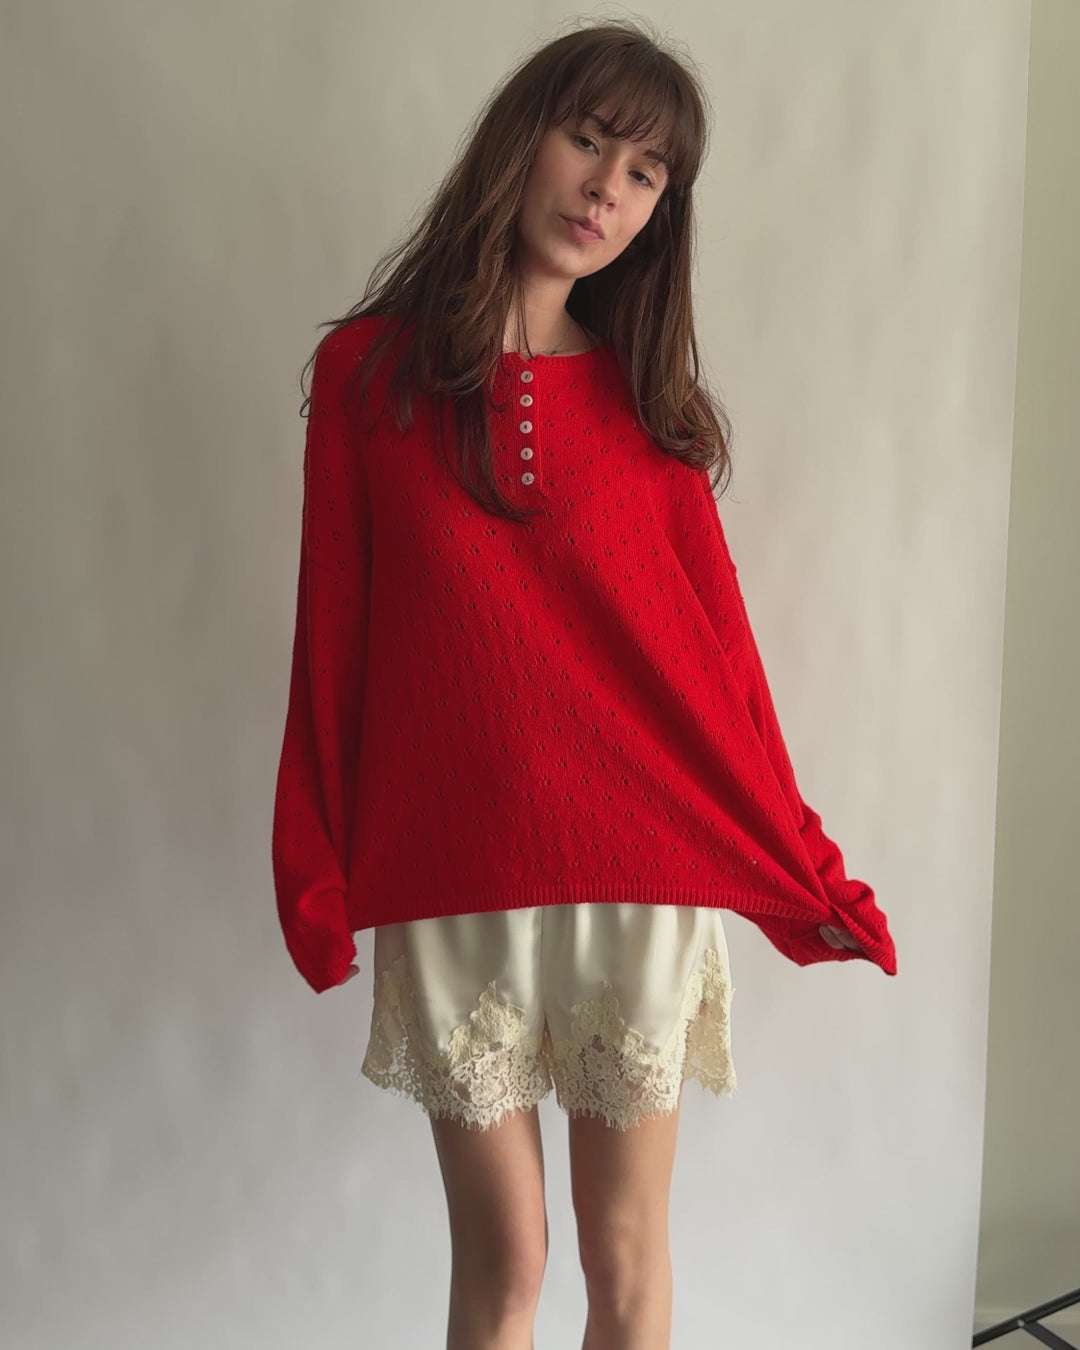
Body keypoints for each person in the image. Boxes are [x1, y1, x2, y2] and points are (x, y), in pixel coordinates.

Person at [271, 18, 896, 1349]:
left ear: (663, 211)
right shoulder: (368, 378)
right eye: (590, 139)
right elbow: (333, 638)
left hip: (640, 873)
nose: (609, 187)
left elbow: (721, 668)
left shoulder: (649, 408)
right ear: (524, 139)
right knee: (506, 1263)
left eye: (647, 173)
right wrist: (313, 862)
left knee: (624, 1258)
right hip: (453, 876)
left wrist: (806, 864)